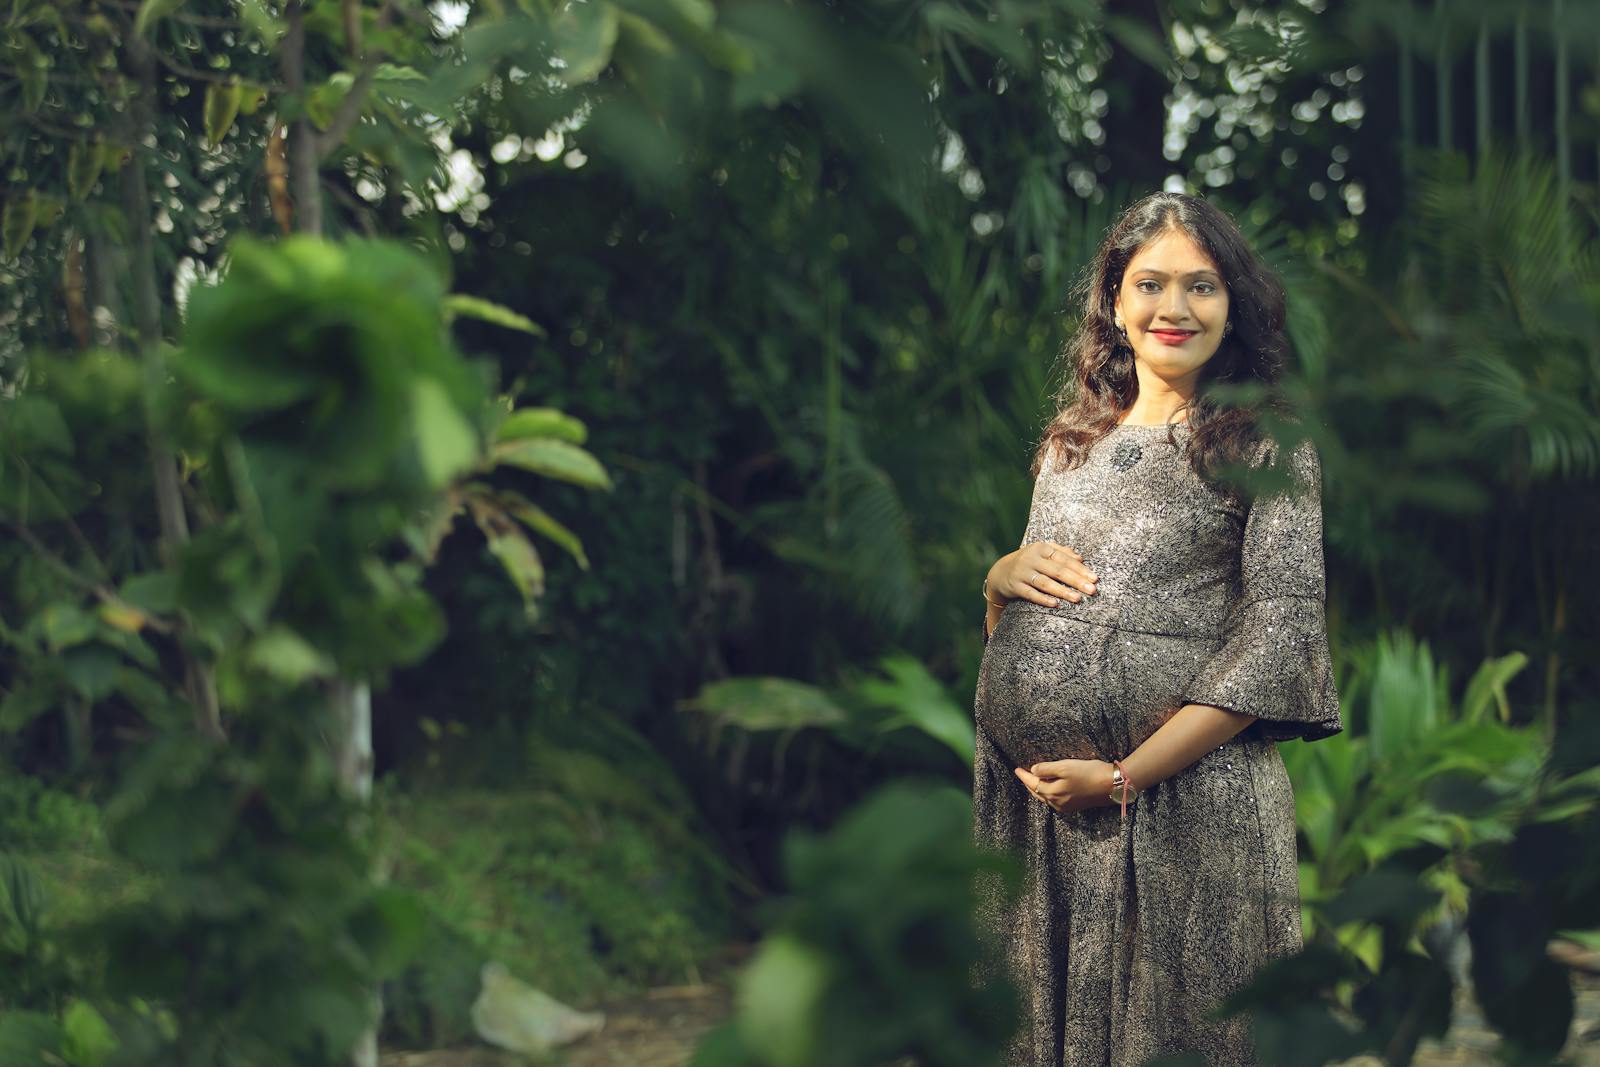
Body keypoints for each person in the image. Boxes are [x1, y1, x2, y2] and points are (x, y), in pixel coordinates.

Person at [970, 190, 1344, 1067]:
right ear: (1113, 300)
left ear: (1235, 304)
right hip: (1045, 821)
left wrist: (1127, 775)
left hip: (1188, 809)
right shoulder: (1069, 444)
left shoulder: (1265, 443)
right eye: (1150, 284)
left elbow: (1280, 635)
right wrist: (995, 582)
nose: (1173, 309)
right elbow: (1024, 631)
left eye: (1201, 286)